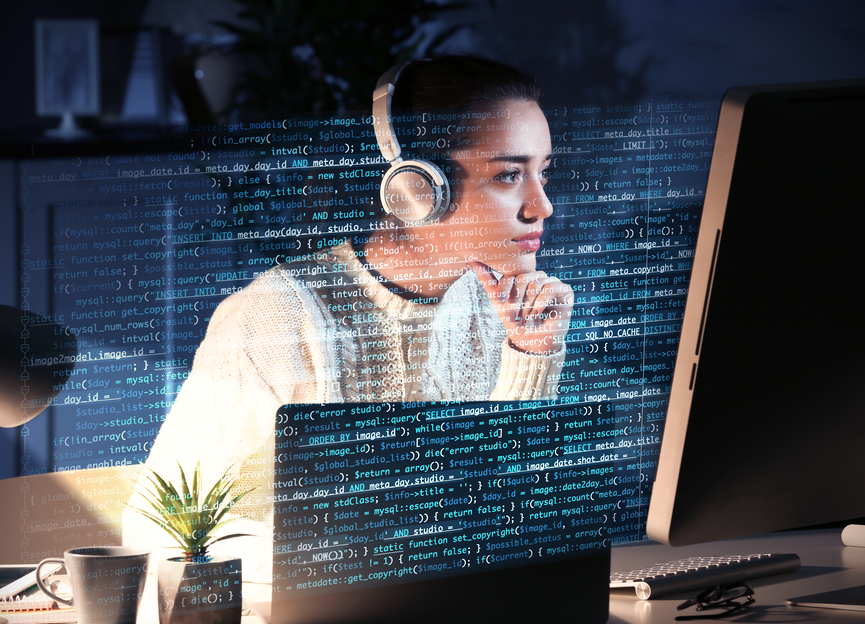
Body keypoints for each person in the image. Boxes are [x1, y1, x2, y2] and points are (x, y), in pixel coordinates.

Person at [124, 56, 573, 580]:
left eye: (543, 173)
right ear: (418, 186)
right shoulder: (278, 314)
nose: (542, 206)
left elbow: (501, 513)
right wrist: (344, 562)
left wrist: (531, 356)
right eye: (509, 175)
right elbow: (155, 529)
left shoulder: (505, 309)